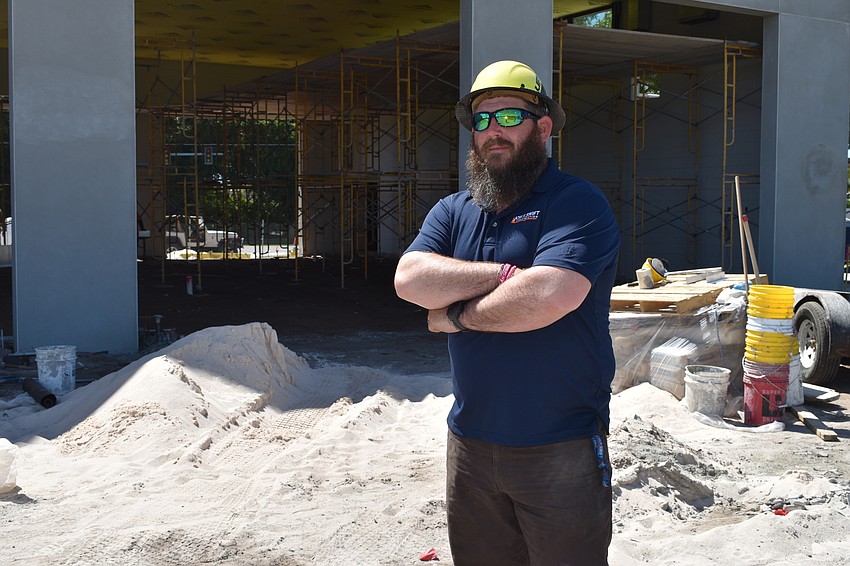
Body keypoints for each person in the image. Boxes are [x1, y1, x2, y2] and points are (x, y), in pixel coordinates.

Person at [393, 60, 621, 565]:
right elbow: (409, 280)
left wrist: (454, 315)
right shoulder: (455, 210)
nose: (492, 131)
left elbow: (548, 297)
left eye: (509, 117)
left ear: (543, 128)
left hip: (560, 448)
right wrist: (501, 275)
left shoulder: (576, 202)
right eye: (480, 120)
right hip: (469, 446)